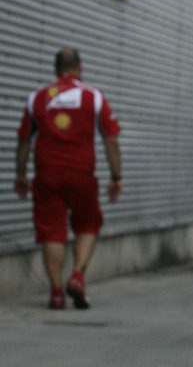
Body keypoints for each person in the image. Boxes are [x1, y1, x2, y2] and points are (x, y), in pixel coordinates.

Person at [14, 47, 122, 309]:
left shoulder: (37, 98)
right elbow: (110, 140)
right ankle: (76, 276)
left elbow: (24, 141)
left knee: (52, 231)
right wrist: (116, 175)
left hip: (47, 175)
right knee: (87, 224)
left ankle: (56, 294)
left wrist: (20, 175)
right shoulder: (93, 97)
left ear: (55, 69)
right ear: (80, 68)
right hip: (81, 174)